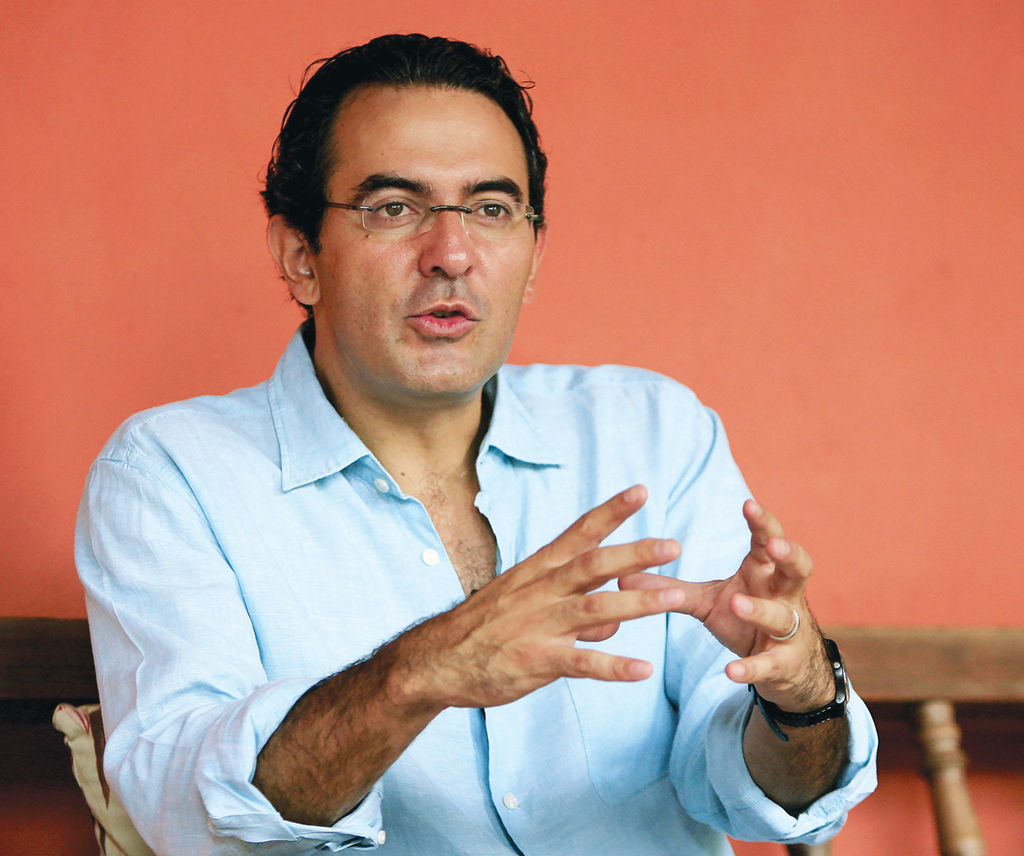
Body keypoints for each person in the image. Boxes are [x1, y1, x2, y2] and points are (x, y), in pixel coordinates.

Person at [75, 33, 876, 856]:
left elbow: (770, 796)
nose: (451, 255)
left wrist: (804, 696)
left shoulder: (653, 433)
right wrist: (417, 673)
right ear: (300, 256)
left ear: (533, 255)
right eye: (394, 207)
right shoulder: (170, 475)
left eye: (491, 209)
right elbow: (190, 814)